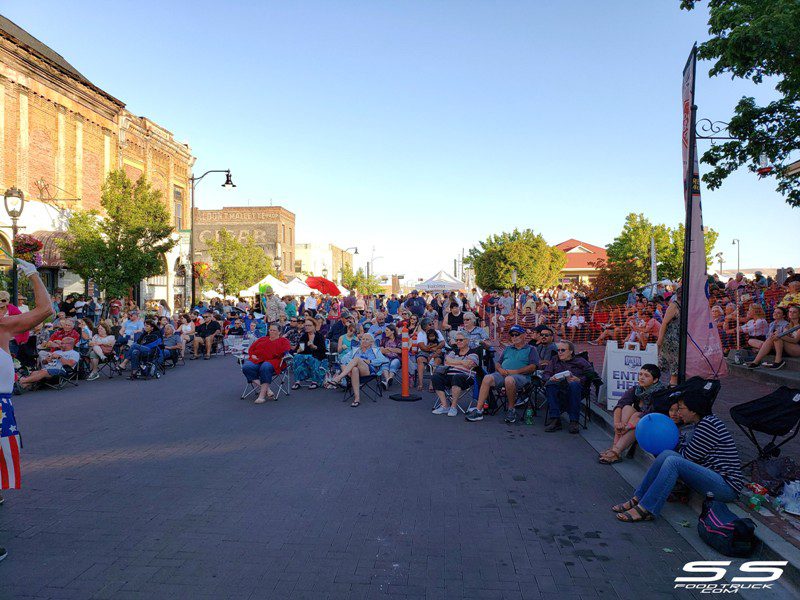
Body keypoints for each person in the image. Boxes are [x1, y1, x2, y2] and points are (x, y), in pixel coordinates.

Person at [612, 392, 745, 522]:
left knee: (673, 461)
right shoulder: (703, 423)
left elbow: (687, 457)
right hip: (713, 477)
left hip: (726, 486)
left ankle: (646, 508)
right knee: (666, 454)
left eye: (681, 408)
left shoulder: (708, 425)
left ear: (694, 410)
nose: (679, 413)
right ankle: (638, 498)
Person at [0, 258, 54, 559]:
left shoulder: (4, 327)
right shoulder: (3, 326)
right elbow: (46, 310)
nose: (4, 308)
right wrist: (34, 276)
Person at [466, 325, 539, 423]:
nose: (514, 337)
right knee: (487, 378)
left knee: (509, 380)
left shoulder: (531, 349)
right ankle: (479, 410)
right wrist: (500, 369)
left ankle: (511, 409)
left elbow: (533, 367)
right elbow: (498, 363)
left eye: (517, 334)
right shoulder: (508, 348)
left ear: (524, 335)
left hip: (522, 376)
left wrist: (515, 372)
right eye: (512, 335)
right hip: (503, 373)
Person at [598, 364, 666, 464]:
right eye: (640, 374)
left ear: (655, 380)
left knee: (636, 415)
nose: (642, 378)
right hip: (637, 422)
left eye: (646, 376)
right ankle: (615, 449)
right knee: (626, 408)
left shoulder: (659, 394)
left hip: (654, 425)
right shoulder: (637, 389)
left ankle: (616, 451)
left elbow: (647, 415)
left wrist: (628, 426)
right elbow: (619, 406)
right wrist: (617, 424)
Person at [543, 340, 592, 433]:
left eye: (563, 350)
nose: (560, 352)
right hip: (559, 388)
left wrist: (579, 379)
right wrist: (551, 378)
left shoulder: (580, 361)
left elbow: (593, 375)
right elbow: (546, 373)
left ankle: (574, 421)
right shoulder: (554, 359)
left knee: (574, 384)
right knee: (551, 385)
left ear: (570, 351)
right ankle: (555, 419)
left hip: (577, 389)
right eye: (558, 350)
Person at [329, 333, 388, 406]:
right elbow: (343, 359)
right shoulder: (356, 350)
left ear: (371, 342)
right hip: (354, 372)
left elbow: (385, 360)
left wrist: (371, 361)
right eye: (363, 339)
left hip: (368, 371)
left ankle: (339, 377)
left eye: (367, 339)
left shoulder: (375, 350)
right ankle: (357, 399)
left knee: (357, 359)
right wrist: (353, 362)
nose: (364, 341)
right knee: (354, 369)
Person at [432, 333, 479, 416]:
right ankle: (445, 406)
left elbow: (469, 364)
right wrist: (461, 362)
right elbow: (447, 361)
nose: (458, 342)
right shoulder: (454, 351)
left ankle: (453, 407)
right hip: (449, 374)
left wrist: (453, 362)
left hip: (466, 377)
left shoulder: (473, 352)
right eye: (456, 340)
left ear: (467, 341)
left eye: (461, 340)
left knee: (457, 377)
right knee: (436, 377)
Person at [242, 323, 291, 403]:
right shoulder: (262, 339)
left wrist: (286, 354)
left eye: (274, 330)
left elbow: (286, 351)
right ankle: (267, 389)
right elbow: (251, 349)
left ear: (279, 332)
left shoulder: (283, 341)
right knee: (246, 367)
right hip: (258, 360)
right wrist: (253, 355)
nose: (271, 332)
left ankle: (261, 396)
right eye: (270, 330)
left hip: (274, 361)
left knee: (265, 366)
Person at [746, 304, 800, 370]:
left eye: (794, 312)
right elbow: (784, 336)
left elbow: (795, 340)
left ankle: (777, 360)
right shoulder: (788, 325)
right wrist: (778, 335)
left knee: (777, 337)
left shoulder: (798, 326)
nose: (791, 313)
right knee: (773, 338)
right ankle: (756, 362)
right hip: (786, 348)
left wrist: (780, 336)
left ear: (799, 314)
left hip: (797, 349)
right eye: (790, 312)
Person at [292, 318, 327, 389]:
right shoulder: (304, 336)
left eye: (309, 325)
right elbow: (300, 349)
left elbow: (323, 349)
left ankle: (314, 381)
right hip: (305, 356)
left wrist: (314, 347)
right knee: (297, 357)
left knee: (311, 358)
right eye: (306, 325)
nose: (307, 327)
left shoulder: (319, 336)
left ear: (314, 326)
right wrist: (299, 350)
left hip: (317, 356)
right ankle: (297, 382)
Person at [656, 288, 681, 386]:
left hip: (679, 340)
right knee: (673, 369)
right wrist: (660, 340)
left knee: (675, 369)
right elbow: (664, 323)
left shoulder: (685, 305)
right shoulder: (674, 305)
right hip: (671, 341)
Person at [379, 324, 402, 388]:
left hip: (396, 358)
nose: (385, 332)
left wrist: (389, 349)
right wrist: (394, 350)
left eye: (387, 330)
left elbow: (400, 351)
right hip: (386, 357)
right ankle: (388, 380)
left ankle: (387, 381)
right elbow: (381, 351)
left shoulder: (398, 340)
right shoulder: (384, 339)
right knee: (385, 364)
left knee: (393, 364)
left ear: (392, 331)